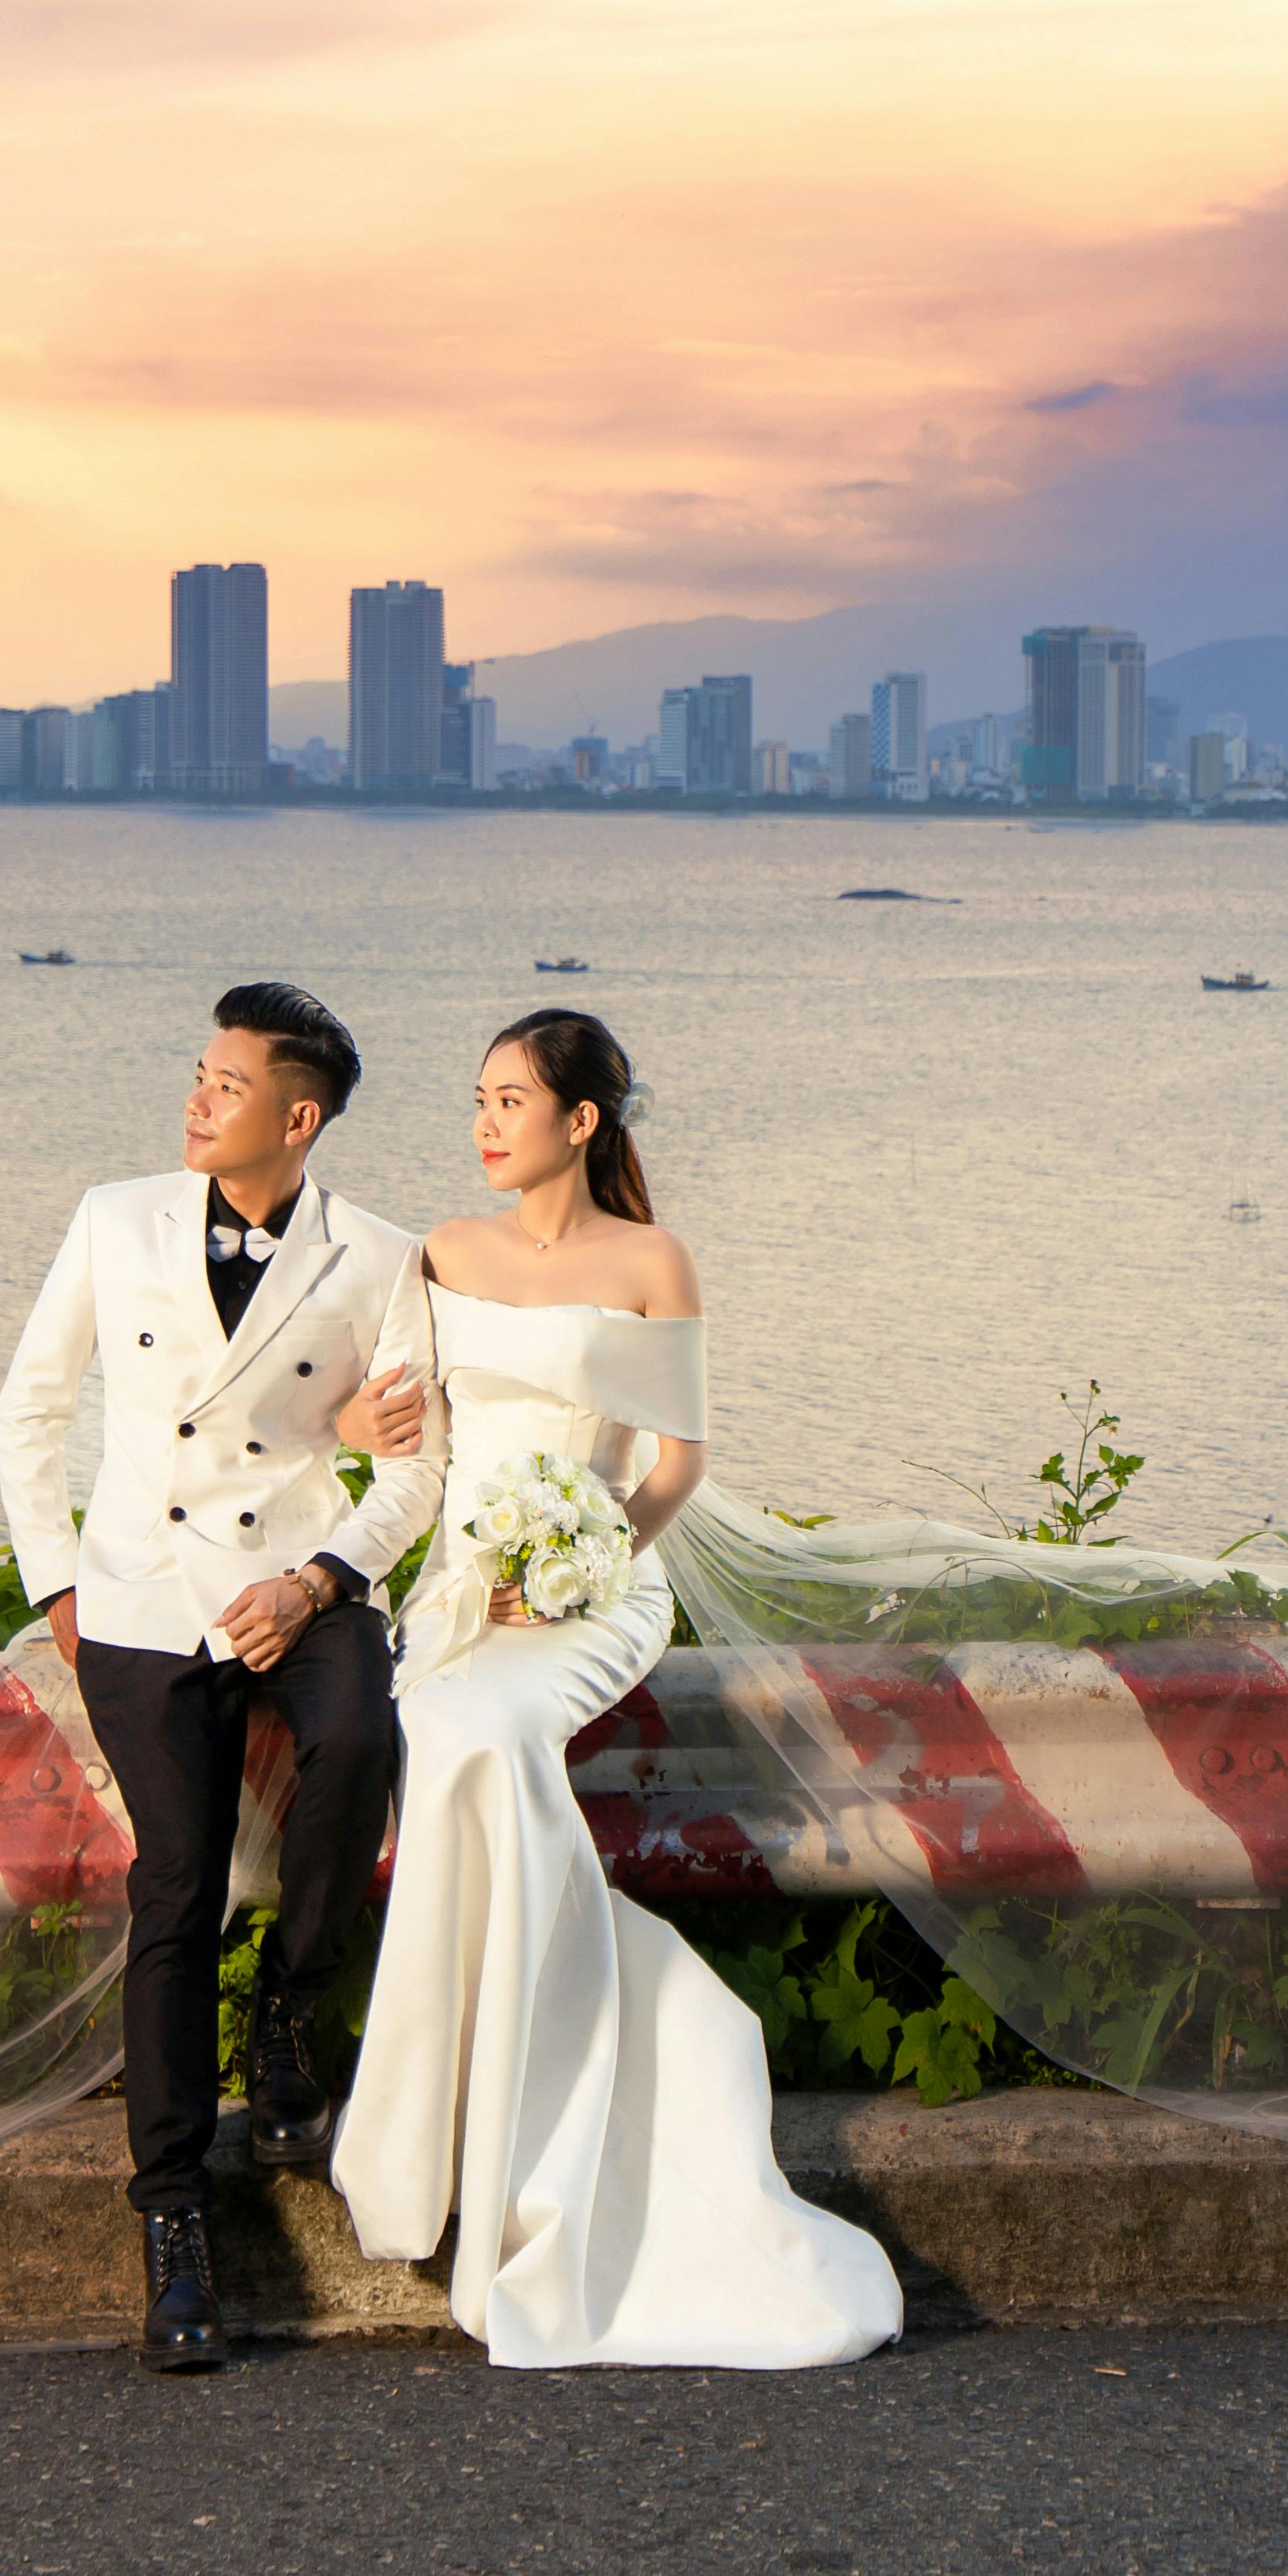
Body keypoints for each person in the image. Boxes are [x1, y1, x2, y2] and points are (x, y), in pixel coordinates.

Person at [327, 1008, 904, 2372]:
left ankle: (538, 2099)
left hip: (598, 1588)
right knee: (454, 1728)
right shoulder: (441, 1255)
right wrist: (359, 1426)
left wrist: (588, 1568)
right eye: (476, 1098)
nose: (482, 1124)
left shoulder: (653, 1261)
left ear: (581, 1123)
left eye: (510, 1102)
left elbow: (676, 1467)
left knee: (485, 1730)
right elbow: (390, 1427)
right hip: (463, 1590)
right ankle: (501, 2091)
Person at [0, 981, 437, 2376]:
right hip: (135, 1591)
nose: (195, 1099)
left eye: (226, 1084)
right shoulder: (112, 1216)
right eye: (197, 1073)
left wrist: (320, 1580)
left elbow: (419, 1469)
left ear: (297, 1119)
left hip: (301, 1577)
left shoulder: (383, 1256)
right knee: (175, 1886)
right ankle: (174, 2224)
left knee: (362, 1740)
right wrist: (58, 1584)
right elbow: (30, 1406)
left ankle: (292, 2013)